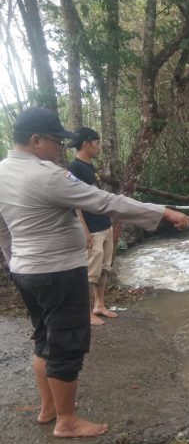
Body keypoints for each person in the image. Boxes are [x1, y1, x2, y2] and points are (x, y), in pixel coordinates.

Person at [0, 107, 189, 438]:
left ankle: (48, 409)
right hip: (59, 272)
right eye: (56, 142)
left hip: (26, 272)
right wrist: (162, 211)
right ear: (35, 140)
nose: (60, 149)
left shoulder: (2, 172)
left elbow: (3, 230)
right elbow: (106, 203)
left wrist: (14, 261)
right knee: (66, 343)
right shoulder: (48, 176)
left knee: (43, 338)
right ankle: (67, 421)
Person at [67, 127, 117, 326]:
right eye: (97, 143)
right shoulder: (74, 169)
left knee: (104, 269)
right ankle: (85, 313)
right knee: (89, 273)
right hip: (92, 229)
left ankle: (99, 305)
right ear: (86, 143)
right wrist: (84, 230)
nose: (99, 147)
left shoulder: (90, 167)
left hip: (104, 224)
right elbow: (74, 203)